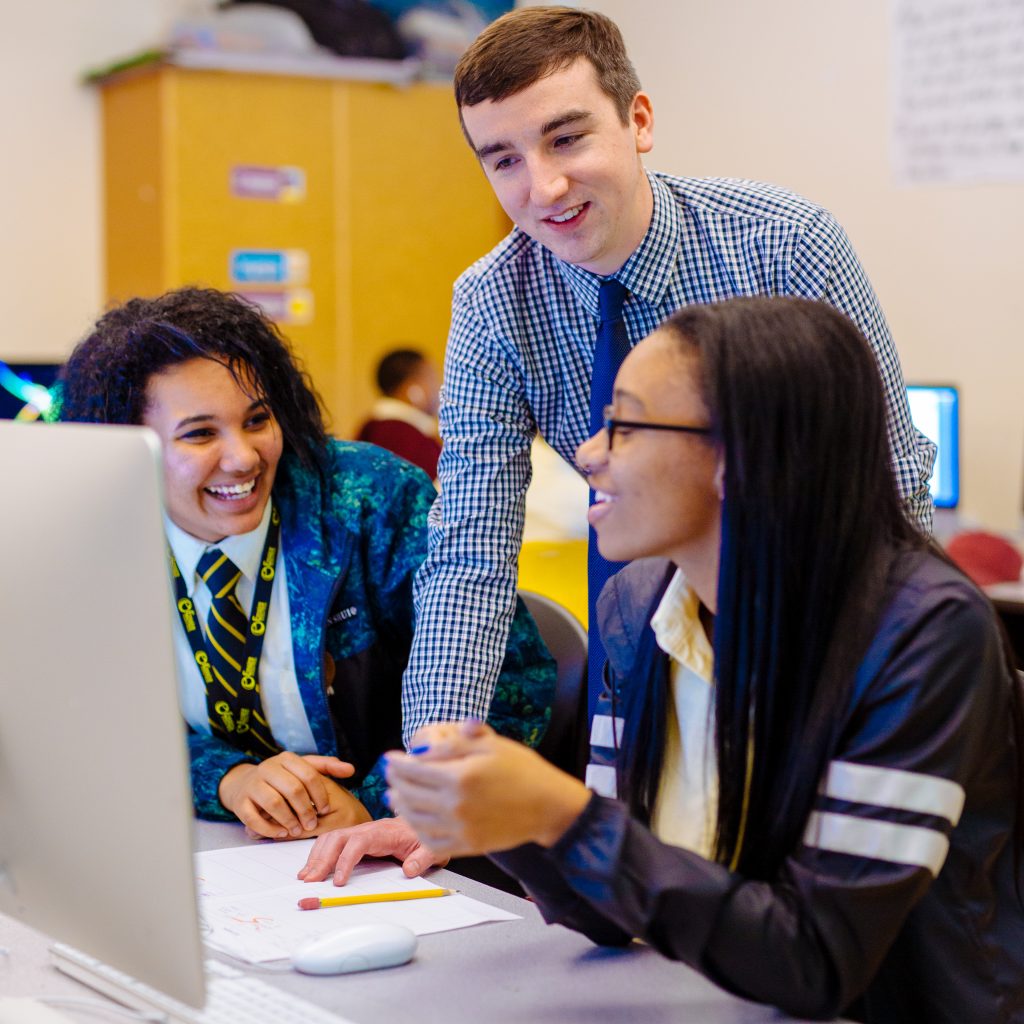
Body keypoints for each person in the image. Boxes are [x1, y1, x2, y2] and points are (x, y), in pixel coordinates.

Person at [375, 297, 1024, 1022]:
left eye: (624, 424)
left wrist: (560, 813)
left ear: (738, 457)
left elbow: (819, 961)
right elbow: (609, 909)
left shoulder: (921, 632)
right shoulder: (635, 607)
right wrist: (508, 819)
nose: (588, 451)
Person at [401, 4, 936, 756]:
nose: (544, 186)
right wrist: (433, 766)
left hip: (813, 643)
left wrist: (899, 690)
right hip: (635, 658)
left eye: (567, 137)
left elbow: (889, 481)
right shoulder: (492, 301)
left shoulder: (783, 245)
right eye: (504, 160)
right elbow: (469, 547)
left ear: (639, 121)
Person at [56, 287, 554, 852]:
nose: (243, 457)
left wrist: (374, 806)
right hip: (234, 862)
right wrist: (230, 778)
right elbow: (100, 718)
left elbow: (517, 683)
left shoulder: (371, 501)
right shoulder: (106, 541)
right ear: (129, 446)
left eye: (257, 419)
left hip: (419, 858)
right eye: (199, 433)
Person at [356, 348, 443, 480]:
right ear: (413, 390)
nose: (440, 390)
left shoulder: (374, 427)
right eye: (432, 379)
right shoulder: (407, 438)